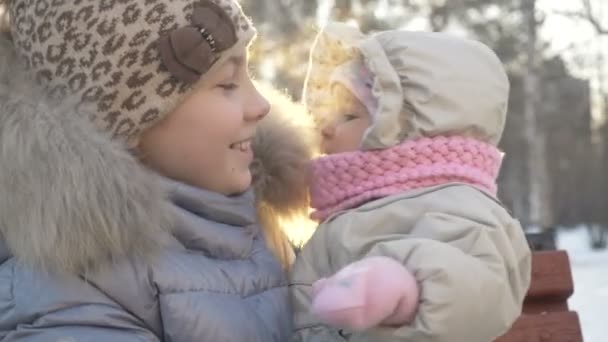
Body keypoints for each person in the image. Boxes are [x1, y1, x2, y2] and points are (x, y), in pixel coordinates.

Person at [0, 0, 313, 340]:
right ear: (124, 117)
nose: (261, 105)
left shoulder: (253, 225)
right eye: (226, 84)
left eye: (248, 73)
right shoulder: (68, 301)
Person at [290, 22, 532, 342]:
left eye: (348, 115)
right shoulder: (344, 210)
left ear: (404, 128)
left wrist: (404, 288)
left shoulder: (456, 203)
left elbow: (482, 286)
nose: (325, 128)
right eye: (328, 114)